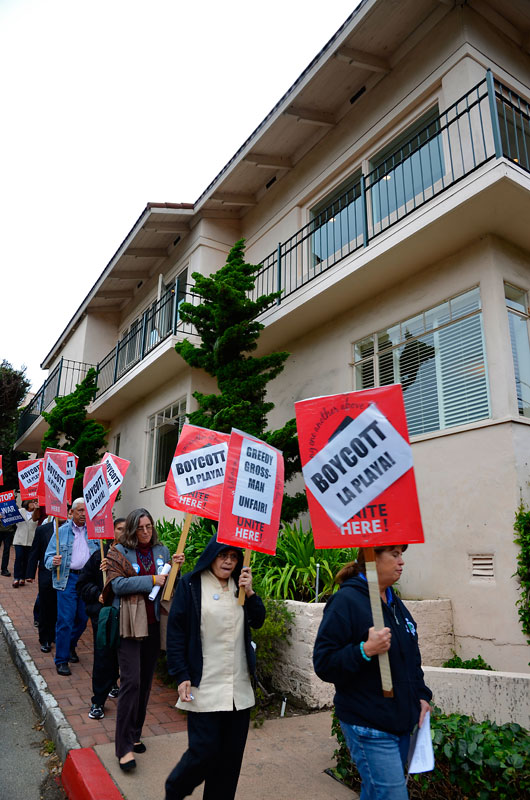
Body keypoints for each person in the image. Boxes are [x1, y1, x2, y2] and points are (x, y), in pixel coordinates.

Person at [313, 545, 432, 800]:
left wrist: (422, 696)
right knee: (391, 795)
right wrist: (364, 650)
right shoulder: (346, 601)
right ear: (371, 558)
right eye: (395, 555)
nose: (402, 562)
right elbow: (324, 662)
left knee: (375, 792)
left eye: (402, 555)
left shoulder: (393, 601)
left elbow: (411, 656)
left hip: (400, 722)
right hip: (368, 724)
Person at [164, 534, 266, 800]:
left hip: (238, 690)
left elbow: (258, 620)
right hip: (205, 686)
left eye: (234, 557)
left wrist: (251, 592)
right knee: (203, 752)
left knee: (229, 762)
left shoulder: (240, 585)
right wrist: (181, 674)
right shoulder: (190, 585)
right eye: (223, 555)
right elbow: (175, 632)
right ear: (212, 555)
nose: (229, 561)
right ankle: (175, 789)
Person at [103, 508, 184, 772]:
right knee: (131, 683)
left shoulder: (161, 551)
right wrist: (150, 579)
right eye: (140, 527)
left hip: (153, 625)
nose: (146, 532)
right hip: (129, 624)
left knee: (146, 682)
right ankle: (123, 747)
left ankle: (136, 732)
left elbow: (169, 587)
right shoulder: (119, 552)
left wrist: (176, 570)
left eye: (149, 526)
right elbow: (116, 586)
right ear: (131, 530)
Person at [77, 517, 126, 720]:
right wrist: (97, 593)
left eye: (127, 529)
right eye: (120, 529)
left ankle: (114, 682)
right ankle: (98, 700)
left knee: (120, 654)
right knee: (103, 656)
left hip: (127, 615)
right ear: (112, 531)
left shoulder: (133, 556)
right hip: (104, 616)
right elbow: (82, 585)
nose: (124, 532)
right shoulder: (99, 556)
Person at [44, 499, 99, 675]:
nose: (84, 514)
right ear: (72, 512)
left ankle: (69, 645)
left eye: (86, 511)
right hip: (67, 579)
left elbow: (100, 554)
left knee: (83, 619)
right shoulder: (61, 532)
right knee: (65, 620)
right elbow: (47, 558)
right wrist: (53, 561)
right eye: (80, 511)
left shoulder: (94, 533)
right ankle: (61, 660)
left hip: (87, 580)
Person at [27, 514, 61, 653]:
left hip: (64, 575)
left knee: (61, 607)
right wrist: (29, 574)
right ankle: (45, 638)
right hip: (46, 573)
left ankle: (56, 636)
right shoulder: (43, 529)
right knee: (46, 605)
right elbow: (35, 551)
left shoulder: (71, 530)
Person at [12, 498, 40, 587]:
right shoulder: (20, 511)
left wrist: (36, 509)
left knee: (26, 560)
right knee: (19, 558)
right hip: (19, 539)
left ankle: (22, 578)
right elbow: (11, 519)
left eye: (35, 502)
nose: (34, 504)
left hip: (30, 541)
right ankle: (16, 578)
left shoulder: (37, 513)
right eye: (32, 502)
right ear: (27, 503)